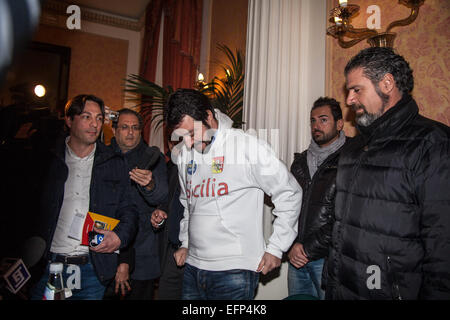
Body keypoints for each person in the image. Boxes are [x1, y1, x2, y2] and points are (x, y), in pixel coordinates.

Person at [326, 47, 450, 300]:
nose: (349, 100)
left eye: (356, 90)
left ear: (387, 83)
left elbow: (442, 245)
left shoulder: (433, 144)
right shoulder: (352, 149)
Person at [165, 88, 302, 300]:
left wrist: (276, 247)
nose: (188, 143)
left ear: (208, 117)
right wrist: (186, 243)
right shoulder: (185, 154)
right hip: (193, 266)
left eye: (192, 134)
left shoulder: (247, 146)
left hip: (235, 270)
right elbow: (188, 203)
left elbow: (289, 193)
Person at [29, 94, 138, 300]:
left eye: (99, 118)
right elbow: (26, 209)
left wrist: (119, 237)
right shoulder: (47, 160)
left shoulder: (113, 162)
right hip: (49, 265)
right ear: (69, 120)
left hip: (91, 268)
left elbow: (129, 210)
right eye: (87, 117)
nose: (94, 124)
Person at [288, 97, 348, 300]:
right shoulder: (300, 162)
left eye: (323, 120)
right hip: (296, 257)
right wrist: (291, 244)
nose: (316, 126)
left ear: (339, 124)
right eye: (313, 121)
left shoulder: (351, 160)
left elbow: (346, 217)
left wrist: (307, 248)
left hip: (329, 258)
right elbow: (288, 207)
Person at [107, 108, 168, 300]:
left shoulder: (152, 157)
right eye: (125, 127)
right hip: (107, 246)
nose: (130, 132)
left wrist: (149, 185)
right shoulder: (103, 156)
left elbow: (161, 197)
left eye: (135, 128)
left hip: (143, 249)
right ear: (114, 129)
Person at [151, 137, 185, 300]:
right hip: (171, 252)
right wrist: (160, 214)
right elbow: (166, 203)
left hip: (198, 253)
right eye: (174, 141)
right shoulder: (170, 168)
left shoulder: (207, 168)